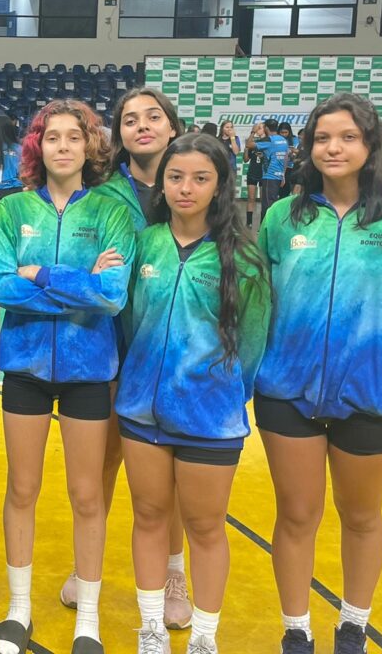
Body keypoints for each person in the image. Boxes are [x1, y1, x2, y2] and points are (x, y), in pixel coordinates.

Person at [255, 93, 382, 654]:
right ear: (309, 147)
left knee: (361, 517)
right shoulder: (282, 217)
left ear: (370, 144)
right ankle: (296, 630)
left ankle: (353, 625)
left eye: (348, 137)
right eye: (322, 138)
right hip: (286, 394)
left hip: (374, 398)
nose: (334, 148)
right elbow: (255, 299)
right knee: (296, 515)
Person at [0, 100, 135, 654]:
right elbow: (0, 286)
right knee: (22, 488)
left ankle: (88, 619)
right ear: (37, 147)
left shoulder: (114, 211)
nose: (64, 146)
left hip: (88, 370)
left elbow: (113, 296)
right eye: (53, 138)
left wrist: (43, 275)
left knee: (86, 494)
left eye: (75, 137)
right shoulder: (11, 210)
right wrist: (79, 285)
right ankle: (19, 609)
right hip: (24, 367)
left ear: (91, 145)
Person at [117, 133, 270, 654]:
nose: (186, 188)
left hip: (211, 419)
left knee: (205, 527)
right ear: (162, 182)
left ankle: (204, 637)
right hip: (140, 412)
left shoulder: (244, 258)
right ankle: (152, 629)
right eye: (176, 177)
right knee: (149, 518)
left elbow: (251, 345)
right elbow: (134, 320)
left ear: (220, 185)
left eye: (200, 178)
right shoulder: (147, 243)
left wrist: (222, 393)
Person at [62, 87, 194, 632]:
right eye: (130, 119)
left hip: (177, 352)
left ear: (171, 125)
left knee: (173, 473)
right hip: (113, 346)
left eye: (153, 117)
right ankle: (85, 565)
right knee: (106, 460)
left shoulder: (193, 183)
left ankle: (173, 571)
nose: (143, 126)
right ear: (119, 133)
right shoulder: (101, 194)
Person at [248, 119, 288, 223]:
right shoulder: (283, 140)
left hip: (269, 177)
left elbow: (249, 145)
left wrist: (253, 132)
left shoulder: (268, 140)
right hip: (278, 177)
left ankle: (265, 229)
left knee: (267, 206)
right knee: (273, 204)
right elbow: (286, 158)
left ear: (266, 128)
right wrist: (283, 175)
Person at [243, 122, 266, 229]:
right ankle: (249, 223)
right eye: (257, 128)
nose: (258, 129)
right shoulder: (253, 142)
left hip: (263, 174)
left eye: (260, 128)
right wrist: (252, 132)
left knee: (263, 199)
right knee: (251, 198)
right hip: (252, 173)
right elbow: (246, 159)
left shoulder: (268, 142)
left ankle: (262, 223)